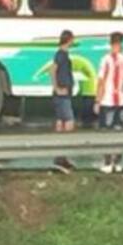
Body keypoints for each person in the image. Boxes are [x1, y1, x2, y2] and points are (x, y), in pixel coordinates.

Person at [95, 31, 123, 173]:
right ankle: (117, 162)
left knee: (106, 131)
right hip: (121, 99)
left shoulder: (106, 59)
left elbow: (101, 81)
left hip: (107, 99)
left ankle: (107, 162)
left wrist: (97, 100)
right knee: (119, 130)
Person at [51, 29, 76, 173]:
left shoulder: (63, 54)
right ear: (68, 40)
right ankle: (61, 156)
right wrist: (57, 88)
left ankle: (60, 157)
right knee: (69, 122)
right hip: (62, 93)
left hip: (63, 93)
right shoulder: (61, 55)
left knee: (60, 122)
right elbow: (53, 71)